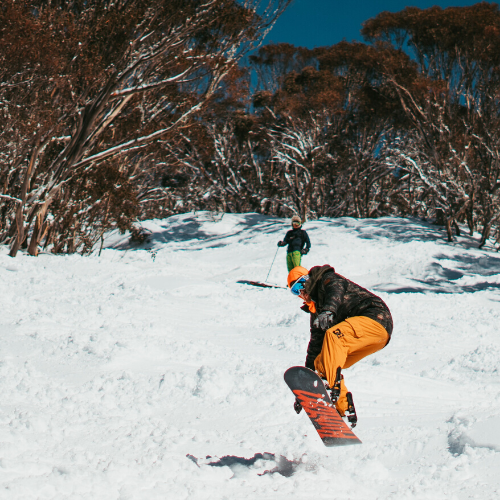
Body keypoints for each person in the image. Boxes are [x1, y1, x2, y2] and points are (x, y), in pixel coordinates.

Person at [287, 265, 393, 421]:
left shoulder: (326, 279)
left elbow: (336, 290)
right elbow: (315, 347)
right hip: (373, 338)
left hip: (375, 318)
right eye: (295, 291)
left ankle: (331, 389)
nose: (301, 293)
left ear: (308, 280)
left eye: (300, 285)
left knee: (333, 336)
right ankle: (343, 410)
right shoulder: (317, 312)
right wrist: (306, 385)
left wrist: (329, 310)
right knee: (322, 362)